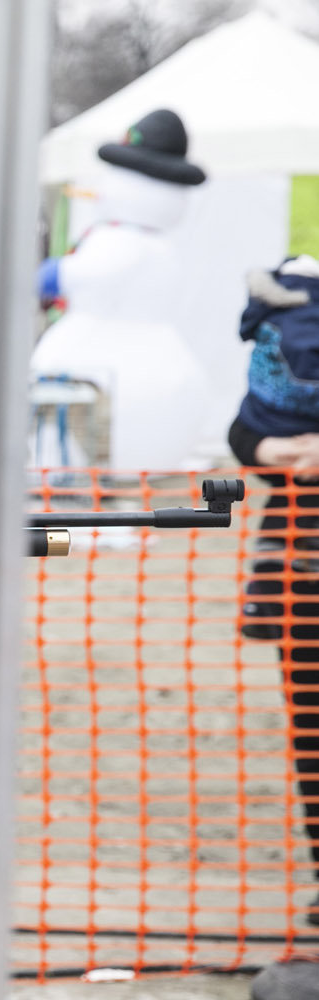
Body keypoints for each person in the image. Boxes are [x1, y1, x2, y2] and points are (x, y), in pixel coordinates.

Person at [230, 259, 319, 999]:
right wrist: (274, 451)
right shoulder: (284, 360)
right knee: (310, 738)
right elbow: (241, 432)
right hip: (296, 578)